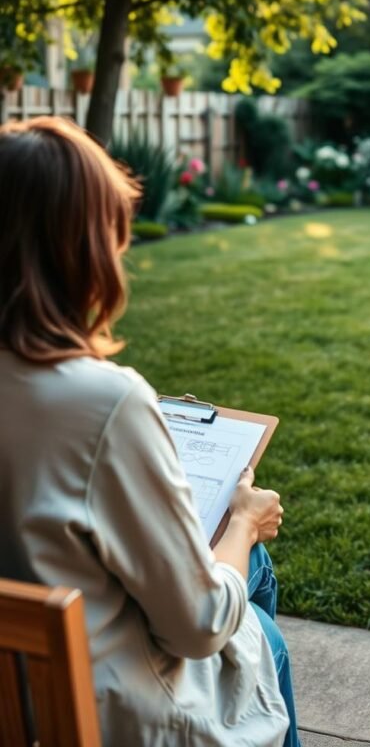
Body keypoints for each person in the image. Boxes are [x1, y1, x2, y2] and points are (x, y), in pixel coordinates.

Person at [0, 115, 301, 747]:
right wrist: (243, 520)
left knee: (252, 569)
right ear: (80, 248)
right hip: (93, 711)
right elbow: (195, 627)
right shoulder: (102, 400)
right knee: (259, 618)